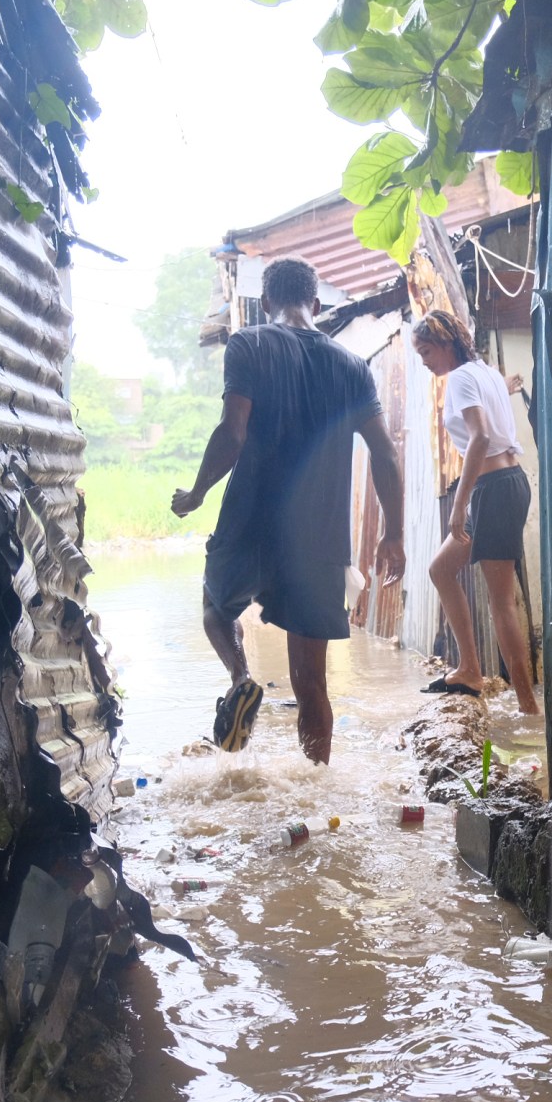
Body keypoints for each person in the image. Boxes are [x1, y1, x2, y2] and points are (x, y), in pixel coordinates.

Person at [170, 256, 406, 764]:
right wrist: (394, 533)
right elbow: (386, 453)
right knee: (312, 683)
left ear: (266, 302)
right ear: (316, 304)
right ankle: (316, 791)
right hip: (320, 540)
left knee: (216, 606)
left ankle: (241, 677)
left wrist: (196, 494)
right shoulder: (352, 367)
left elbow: (233, 433)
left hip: (251, 522)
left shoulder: (249, 344)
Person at [410, 309, 541, 715]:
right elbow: (488, 415)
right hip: (505, 485)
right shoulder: (482, 372)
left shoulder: (462, 378)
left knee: (502, 601)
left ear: (446, 344)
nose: (425, 361)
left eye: (427, 351)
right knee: (440, 569)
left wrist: (460, 502)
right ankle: (469, 669)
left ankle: (528, 708)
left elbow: (480, 437)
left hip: (493, 490)